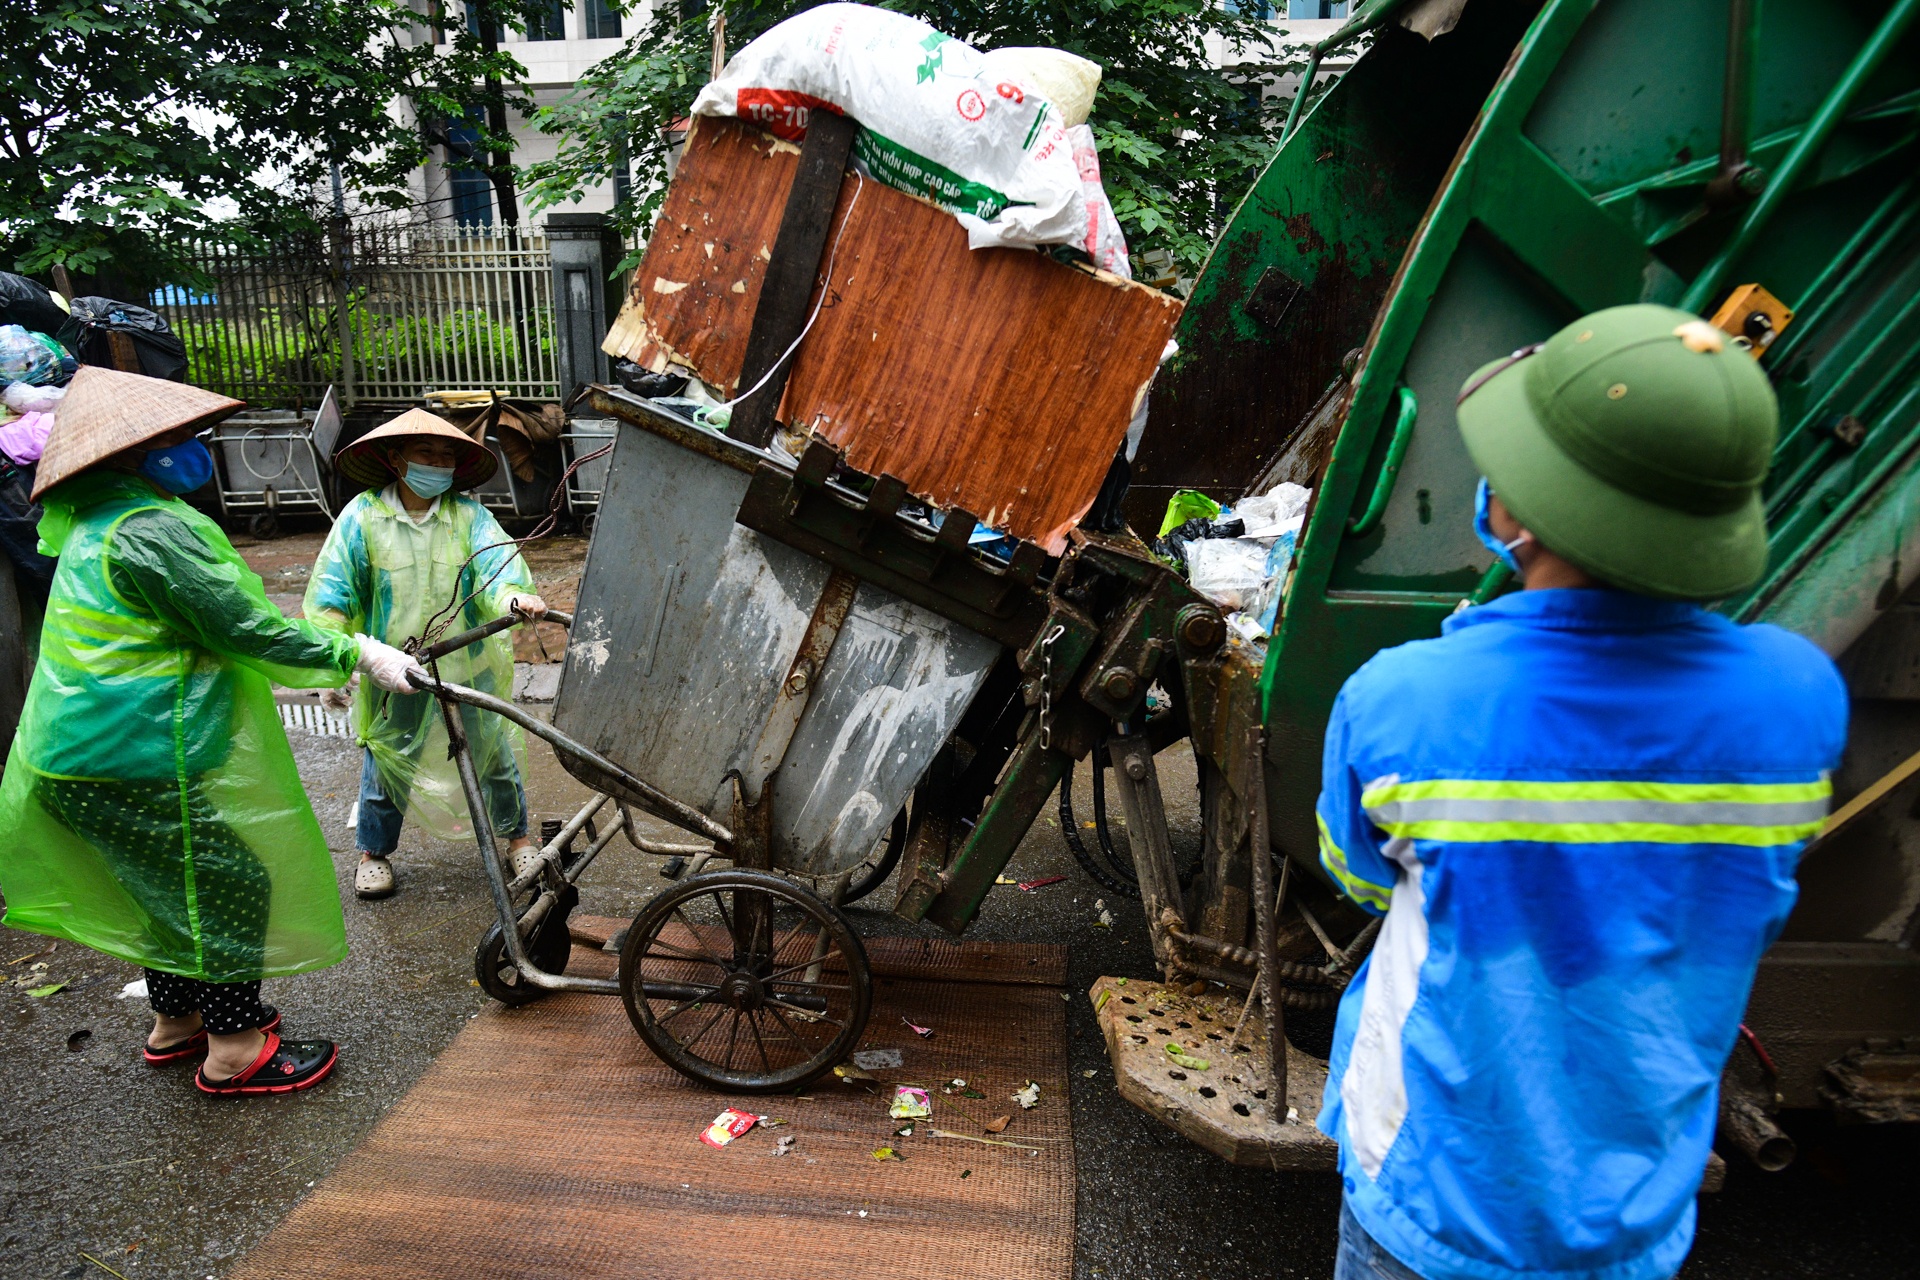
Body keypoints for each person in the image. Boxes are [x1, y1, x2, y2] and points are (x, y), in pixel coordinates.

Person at [1314, 305, 1849, 1280]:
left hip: (1433, 1196)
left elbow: (1358, 877)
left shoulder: (1403, 700)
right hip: (1634, 1216)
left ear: (1513, 514)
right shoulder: (1798, 697)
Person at [0, 367, 425, 1095]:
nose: (194, 448)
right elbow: (242, 626)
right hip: (132, 755)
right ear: (134, 453)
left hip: (76, 754)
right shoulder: (150, 531)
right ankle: (234, 1048)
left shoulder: (96, 519)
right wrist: (356, 652)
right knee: (227, 884)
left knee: (165, 889)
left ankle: (178, 1020)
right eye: (177, 439)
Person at [305, 409, 546, 900]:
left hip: (467, 662)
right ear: (396, 459)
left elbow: (497, 568)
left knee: (493, 755)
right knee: (386, 758)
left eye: (446, 455)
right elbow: (333, 594)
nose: (438, 463)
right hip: (395, 668)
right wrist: (335, 659)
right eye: (426, 453)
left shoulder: (469, 517)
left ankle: (518, 840)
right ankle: (373, 854)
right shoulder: (363, 516)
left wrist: (513, 598)